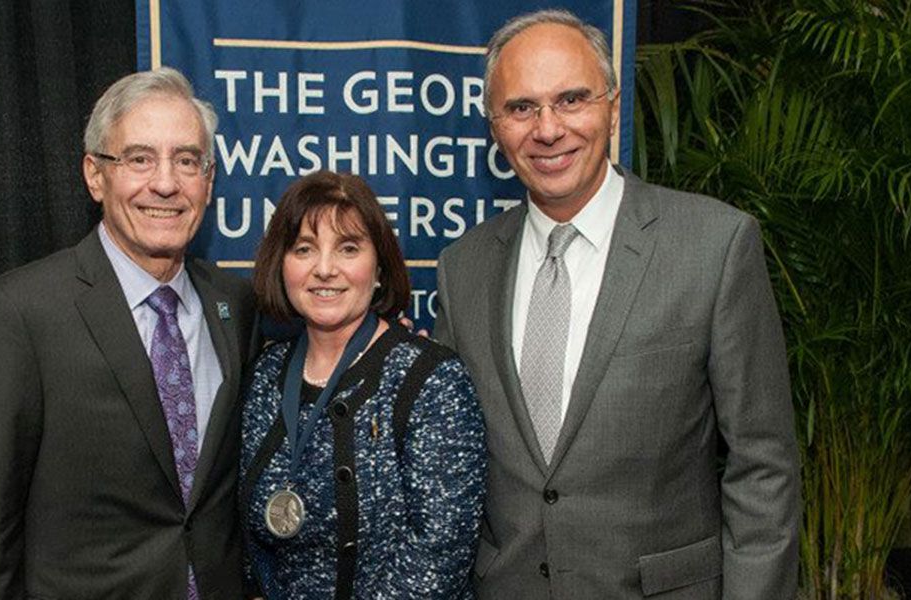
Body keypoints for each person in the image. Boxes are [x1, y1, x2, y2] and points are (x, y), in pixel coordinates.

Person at [433, 9, 800, 599]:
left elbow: (763, 467)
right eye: (521, 108)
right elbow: (449, 457)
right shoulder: (463, 268)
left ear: (611, 105)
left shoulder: (714, 245)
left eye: (572, 99)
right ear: (494, 126)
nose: (547, 129)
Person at [0, 67, 260, 599]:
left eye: (187, 160)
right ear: (95, 175)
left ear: (208, 180)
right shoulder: (16, 314)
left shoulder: (235, 304)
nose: (166, 183)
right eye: (139, 158)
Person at [241, 171, 486, 599]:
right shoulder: (265, 372)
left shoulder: (432, 378)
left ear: (378, 267)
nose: (324, 269)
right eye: (304, 248)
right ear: (282, 264)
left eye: (348, 248)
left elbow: (437, 559)